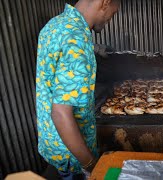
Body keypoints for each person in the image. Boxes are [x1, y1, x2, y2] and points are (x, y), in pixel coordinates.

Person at [35, 0, 119, 179]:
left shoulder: (55, 25)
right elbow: (60, 114)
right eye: (113, 12)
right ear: (105, 2)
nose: (111, 18)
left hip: (54, 145)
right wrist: (92, 165)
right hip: (74, 157)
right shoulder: (77, 41)